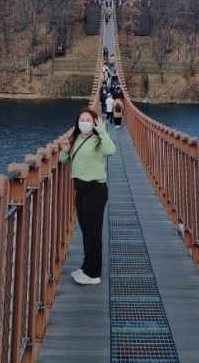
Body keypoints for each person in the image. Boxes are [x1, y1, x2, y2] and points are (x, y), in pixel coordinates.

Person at [59, 108, 115, 285]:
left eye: (88, 120)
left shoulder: (98, 139)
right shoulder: (76, 138)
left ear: (94, 122)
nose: (84, 122)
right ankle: (86, 266)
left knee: (94, 233)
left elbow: (111, 150)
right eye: (82, 119)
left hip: (95, 190)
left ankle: (94, 273)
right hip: (80, 190)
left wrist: (103, 132)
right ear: (77, 122)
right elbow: (65, 161)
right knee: (86, 231)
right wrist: (65, 150)